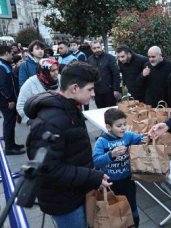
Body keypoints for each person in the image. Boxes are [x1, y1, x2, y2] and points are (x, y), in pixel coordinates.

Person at [24, 61, 111, 227]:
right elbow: (48, 170)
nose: (93, 94)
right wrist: (92, 176)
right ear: (75, 88)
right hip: (64, 202)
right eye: (90, 89)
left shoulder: (70, 108)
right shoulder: (51, 121)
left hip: (75, 192)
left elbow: (73, 153)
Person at [93, 108, 149, 228]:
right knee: (115, 209)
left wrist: (145, 138)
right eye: (119, 126)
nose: (123, 128)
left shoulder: (128, 136)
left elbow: (138, 138)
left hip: (128, 180)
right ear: (108, 127)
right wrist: (111, 155)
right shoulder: (102, 142)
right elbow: (96, 161)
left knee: (132, 207)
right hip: (111, 183)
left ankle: (134, 224)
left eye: (124, 124)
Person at [17, 58, 59, 124]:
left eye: (57, 69)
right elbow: (20, 105)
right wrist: (30, 121)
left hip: (59, 123)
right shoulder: (30, 83)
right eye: (52, 70)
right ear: (42, 72)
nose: (56, 73)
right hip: (39, 125)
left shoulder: (60, 79)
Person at [0, 45, 24, 155]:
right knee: (9, 122)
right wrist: (9, 99)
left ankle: (12, 144)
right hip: (6, 101)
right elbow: (2, 85)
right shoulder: (2, 66)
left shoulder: (5, 65)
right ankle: (9, 148)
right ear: (6, 53)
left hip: (9, 99)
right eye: (11, 53)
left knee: (11, 122)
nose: (12, 55)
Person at [88, 40, 121, 108]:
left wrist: (116, 90)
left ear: (101, 47)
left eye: (98, 47)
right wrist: (91, 91)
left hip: (109, 92)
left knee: (112, 113)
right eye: (94, 48)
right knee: (101, 112)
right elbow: (89, 77)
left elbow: (116, 74)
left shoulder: (110, 58)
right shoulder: (90, 59)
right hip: (97, 92)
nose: (97, 50)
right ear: (91, 49)